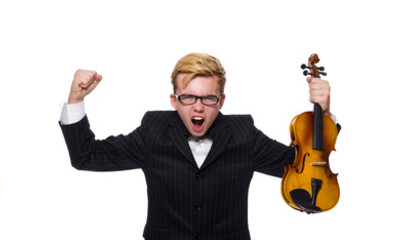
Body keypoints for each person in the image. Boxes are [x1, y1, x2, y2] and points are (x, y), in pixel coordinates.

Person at [59, 52, 337, 240]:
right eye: (188, 98)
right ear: (173, 100)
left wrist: (323, 115)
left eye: (208, 99)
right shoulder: (153, 130)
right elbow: (86, 156)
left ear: (222, 101)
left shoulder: (243, 133)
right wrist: (75, 98)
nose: (199, 107)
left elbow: (309, 171)